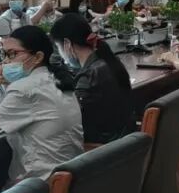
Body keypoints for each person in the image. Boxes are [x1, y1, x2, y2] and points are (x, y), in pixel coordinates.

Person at [0, 26, 83, 182]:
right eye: (4, 55)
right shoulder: (57, 78)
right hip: (72, 180)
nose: (5, 62)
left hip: (39, 187)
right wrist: (8, 80)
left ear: (37, 57)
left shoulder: (25, 89)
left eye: (12, 54)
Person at [50, 14, 135, 144]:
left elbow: (73, 121)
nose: (60, 54)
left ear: (67, 44)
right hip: (124, 143)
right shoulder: (110, 61)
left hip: (102, 148)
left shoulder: (88, 76)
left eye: (58, 47)